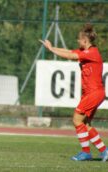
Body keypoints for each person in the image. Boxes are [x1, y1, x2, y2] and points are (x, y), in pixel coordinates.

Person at [40, 23, 108, 161]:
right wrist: (51, 47)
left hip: (94, 93)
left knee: (76, 120)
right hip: (93, 93)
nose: (77, 41)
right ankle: (104, 151)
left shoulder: (92, 53)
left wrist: (52, 50)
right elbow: (70, 52)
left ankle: (86, 152)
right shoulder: (87, 51)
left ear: (85, 40)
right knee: (86, 124)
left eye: (79, 39)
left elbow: (70, 56)